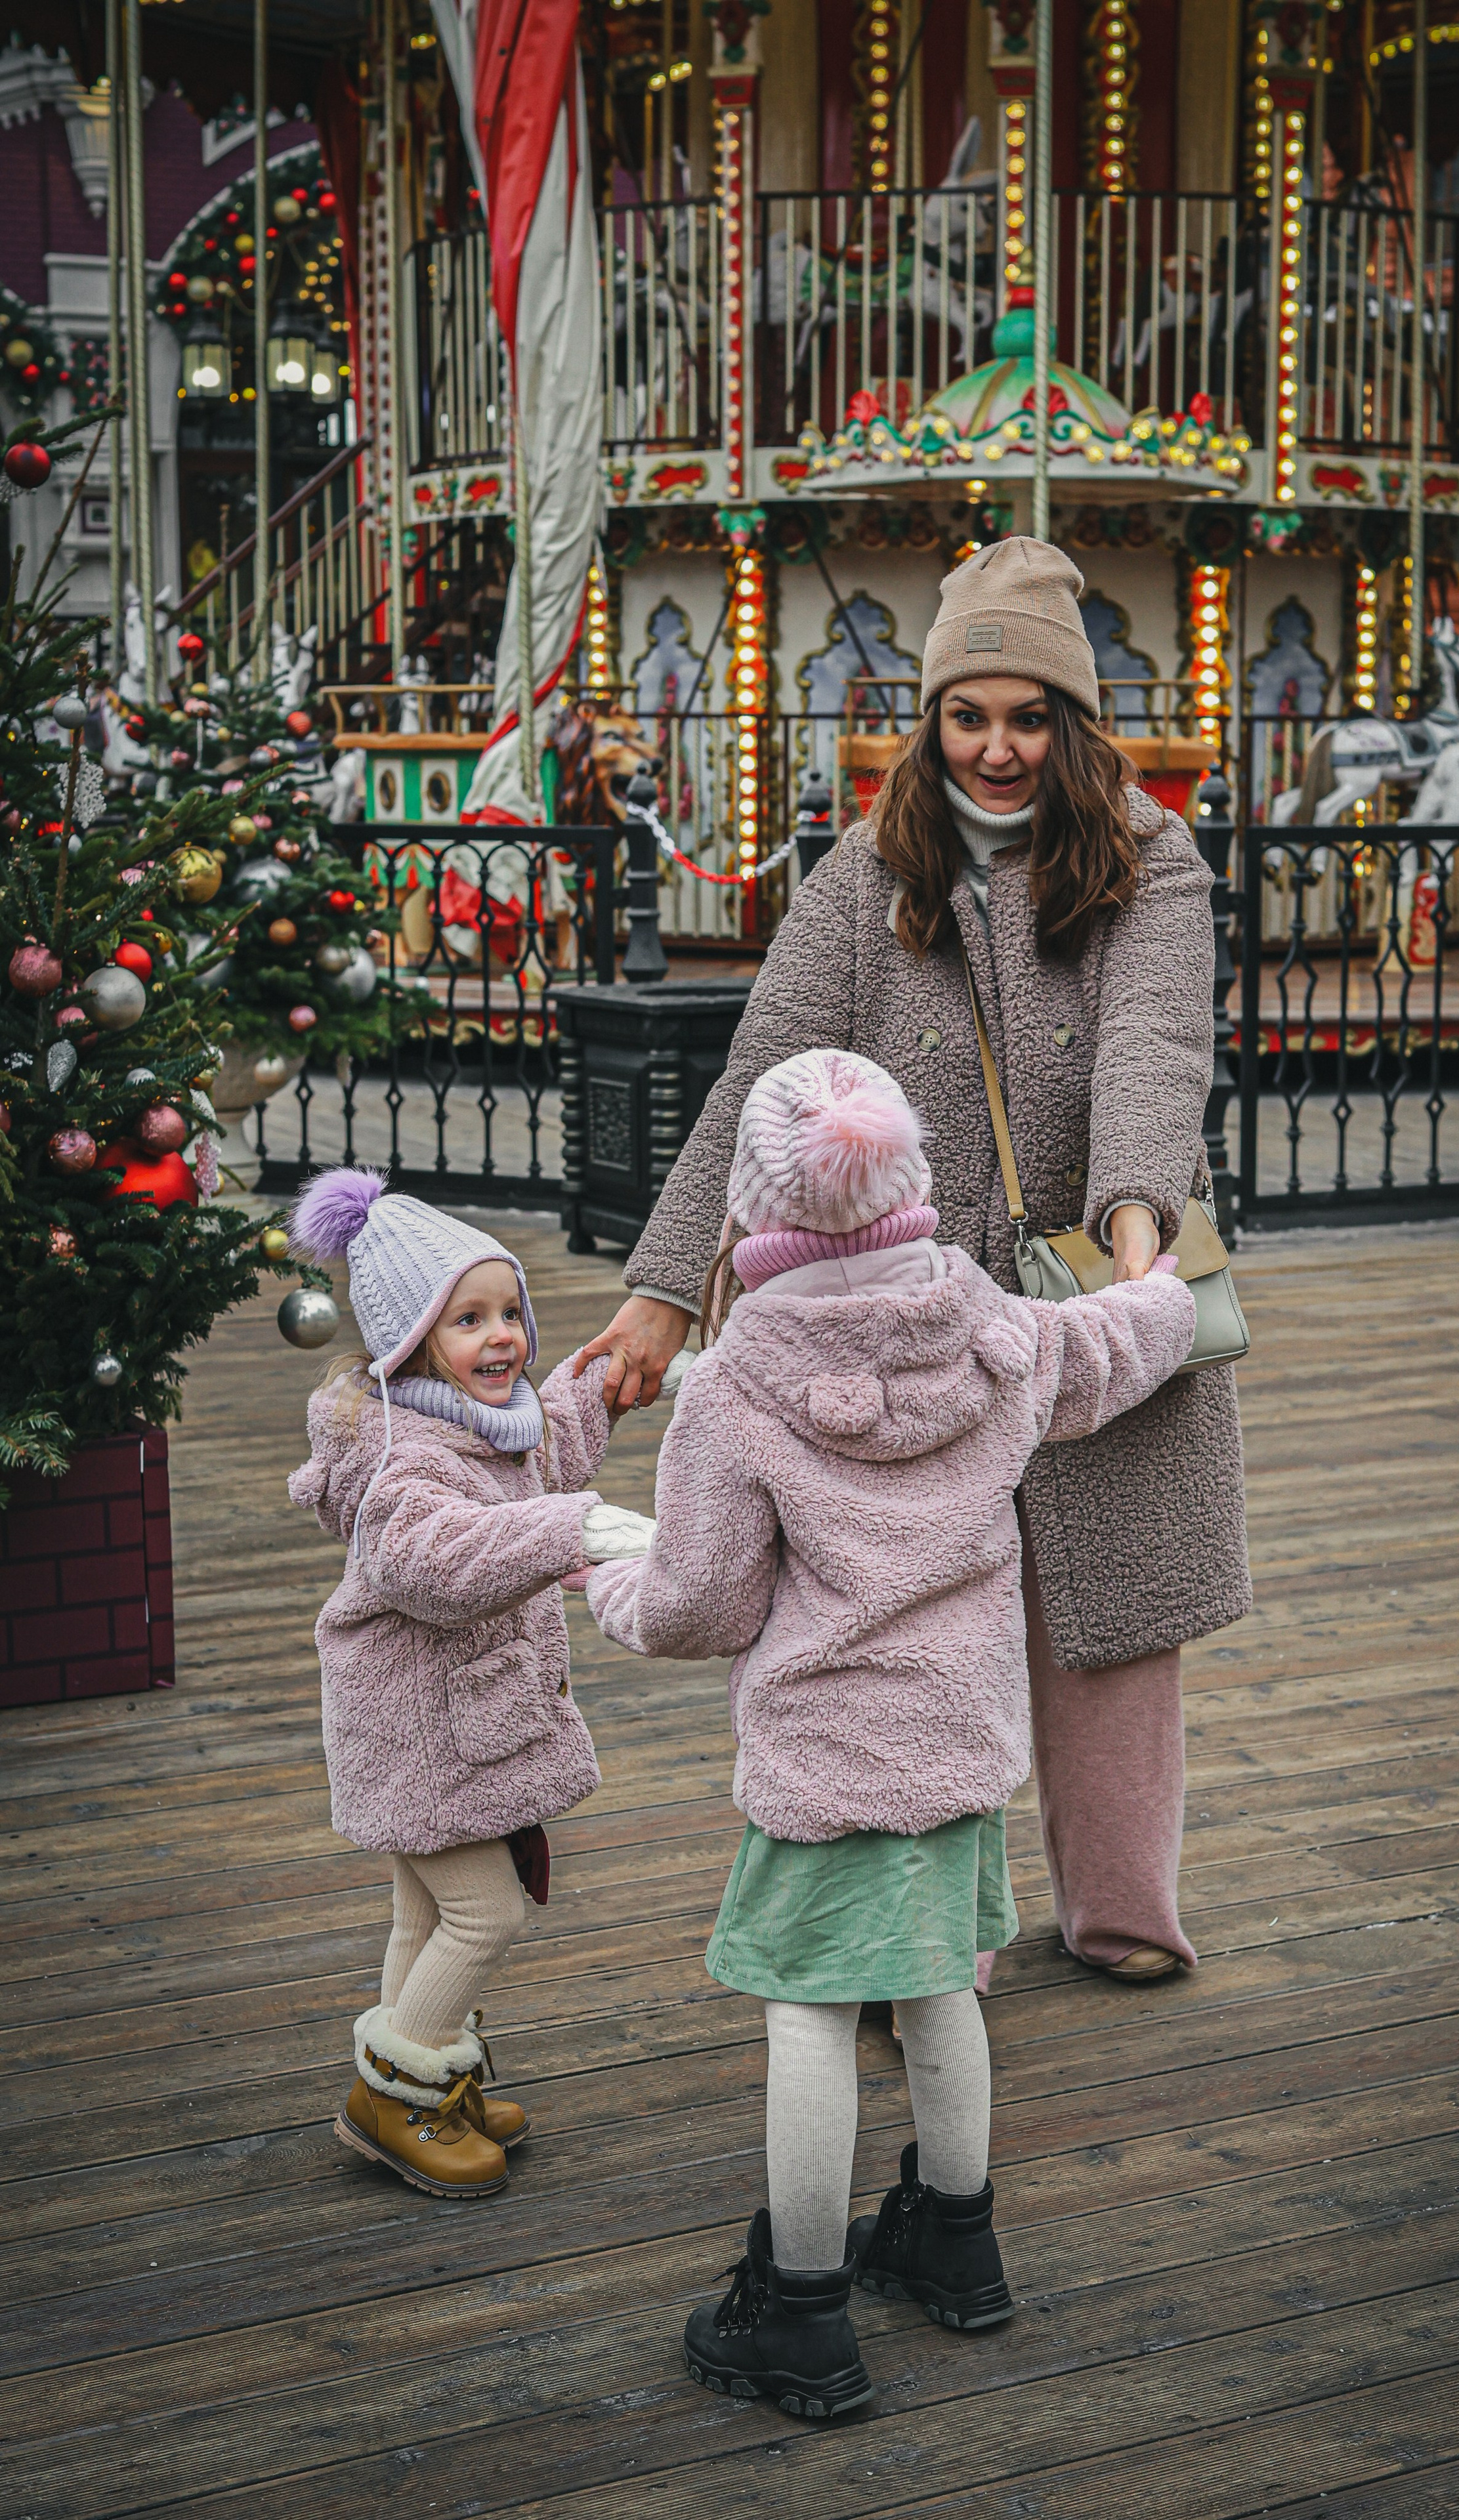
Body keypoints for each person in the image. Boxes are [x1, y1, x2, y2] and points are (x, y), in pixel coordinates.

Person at [576, 536, 1250, 1981]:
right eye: (967, 714)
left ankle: (1122, 1909)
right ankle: (918, 1929)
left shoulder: (1147, 854)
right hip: (901, 1312)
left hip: (1086, 1282)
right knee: (909, 1613)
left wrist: (1137, 1234)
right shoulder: (866, 870)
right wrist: (657, 1292)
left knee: (1114, 1605)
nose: (996, 750)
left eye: (1025, 717)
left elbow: (1151, 1044)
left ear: (1071, 723)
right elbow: (760, 1075)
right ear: (929, 717)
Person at [581, 1047, 1197, 2416]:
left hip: (823, 1755)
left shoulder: (738, 1386)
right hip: (960, 1739)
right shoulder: (993, 1327)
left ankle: (799, 2308)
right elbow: (1120, 1342)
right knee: (935, 1981)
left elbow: (697, 1603)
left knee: (807, 2007)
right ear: (909, 1184)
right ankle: (955, 2239)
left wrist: (603, 1572)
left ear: (752, 1209)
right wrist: (1158, 1284)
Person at [287, 1167, 651, 2199]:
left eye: (509, 1315)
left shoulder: (479, 1419)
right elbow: (438, 1564)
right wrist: (572, 1528)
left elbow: (548, 1452)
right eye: (469, 1322)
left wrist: (601, 1374)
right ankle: (396, 2095)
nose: (502, 1339)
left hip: (450, 1726)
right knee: (484, 1914)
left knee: (420, 1918)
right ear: (409, 1343)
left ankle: (424, 2077)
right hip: (420, 1730)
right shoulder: (404, 1459)